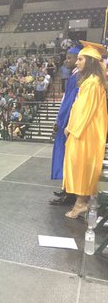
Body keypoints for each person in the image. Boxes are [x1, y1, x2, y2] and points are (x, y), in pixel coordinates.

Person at [62, 41, 108, 219]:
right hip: (88, 130)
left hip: (85, 132)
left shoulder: (92, 83)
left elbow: (83, 109)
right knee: (83, 166)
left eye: (80, 59)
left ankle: (81, 203)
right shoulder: (93, 81)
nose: (77, 62)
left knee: (81, 165)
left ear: (90, 61)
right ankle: (81, 201)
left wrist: (71, 128)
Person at [50, 45, 83, 206]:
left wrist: (60, 122)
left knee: (68, 158)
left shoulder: (78, 77)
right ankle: (66, 189)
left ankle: (70, 193)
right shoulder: (75, 76)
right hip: (67, 121)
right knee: (65, 158)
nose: (66, 60)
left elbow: (70, 104)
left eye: (70, 58)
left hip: (69, 123)